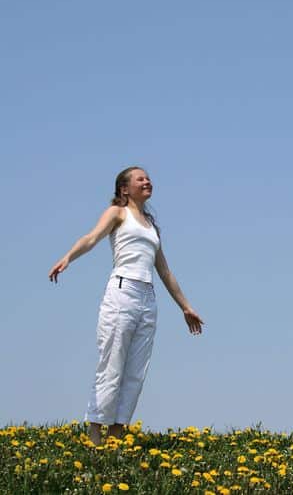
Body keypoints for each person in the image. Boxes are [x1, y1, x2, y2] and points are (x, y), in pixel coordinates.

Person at [48, 166, 204, 446]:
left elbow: (165, 270)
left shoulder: (151, 226)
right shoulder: (117, 213)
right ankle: (95, 437)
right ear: (124, 188)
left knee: (135, 371)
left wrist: (185, 306)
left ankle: (115, 438)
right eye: (140, 178)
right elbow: (92, 237)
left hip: (148, 298)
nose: (147, 181)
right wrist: (68, 257)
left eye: (148, 178)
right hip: (122, 291)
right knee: (112, 365)